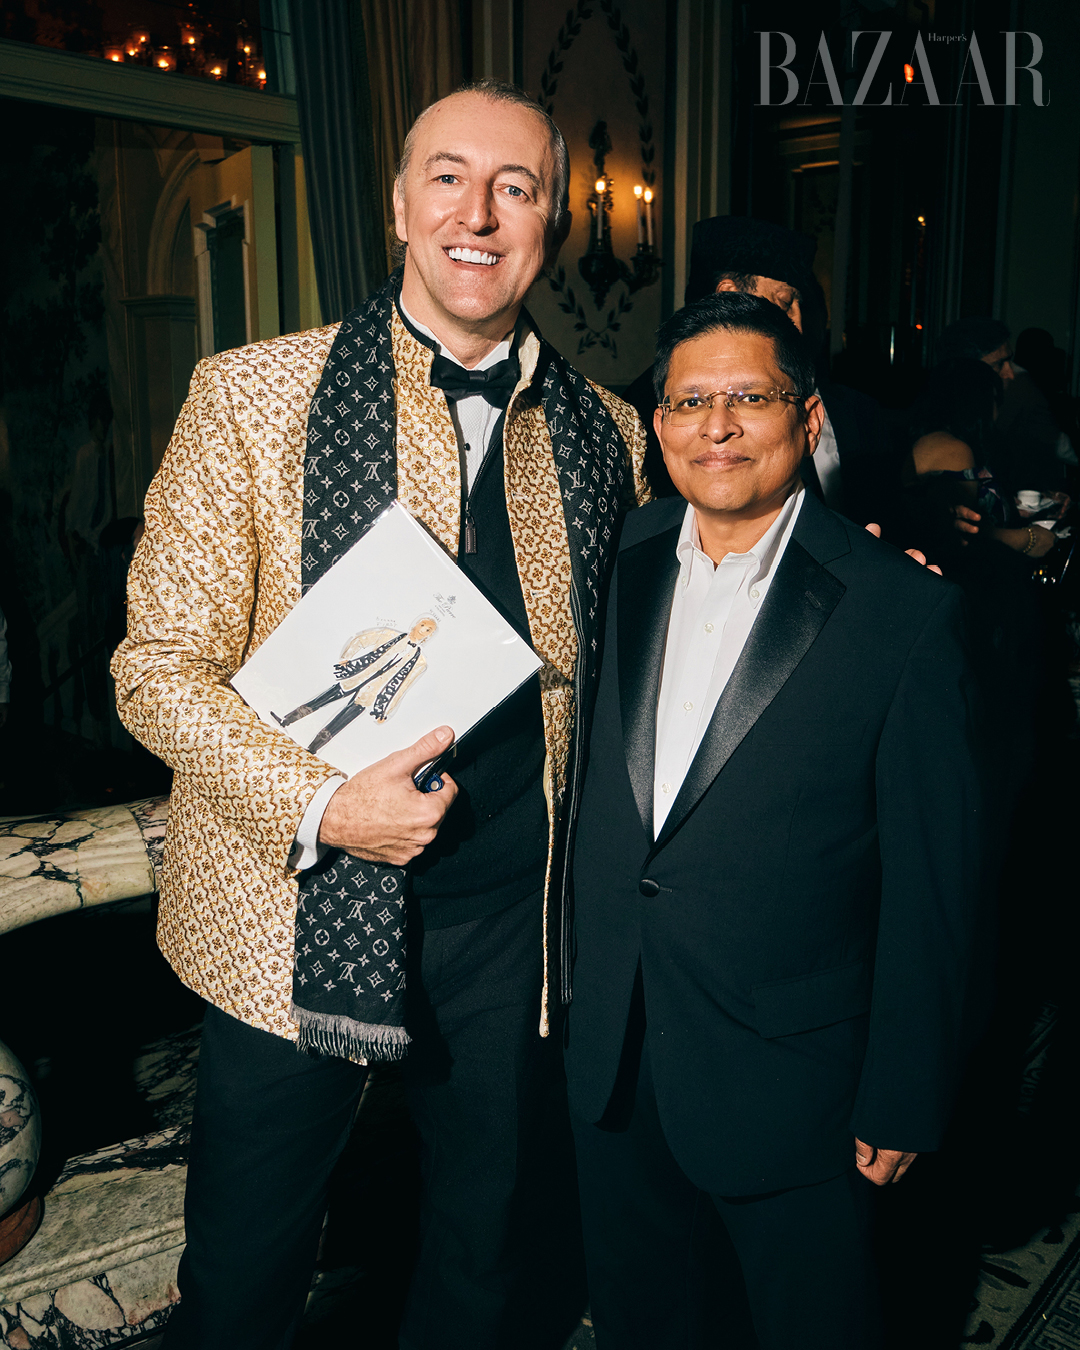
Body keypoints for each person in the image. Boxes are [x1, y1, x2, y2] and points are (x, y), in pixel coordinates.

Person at [111, 80, 646, 1350]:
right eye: (447, 178)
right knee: (245, 1267)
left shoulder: (612, 435)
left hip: (513, 929)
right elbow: (154, 670)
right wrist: (323, 805)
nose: (478, 213)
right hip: (287, 912)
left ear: (552, 224)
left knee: (481, 1251)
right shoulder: (249, 398)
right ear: (400, 207)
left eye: (515, 187)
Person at [564, 293, 986, 1349]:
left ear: (808, 416)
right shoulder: (611, 560)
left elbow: (937, 884)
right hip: (616, 1054)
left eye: (750, 398)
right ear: (658, 424)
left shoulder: (900, 608)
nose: (718, 427)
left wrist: (905, 1091)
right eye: (690, 401)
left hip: (796, 1081)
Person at [622, 215, 893, 526]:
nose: (798, 323)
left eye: (753, 399)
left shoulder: (856, 410)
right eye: (784, 302)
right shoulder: (638, 411)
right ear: (727, 294)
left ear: (811, 421)